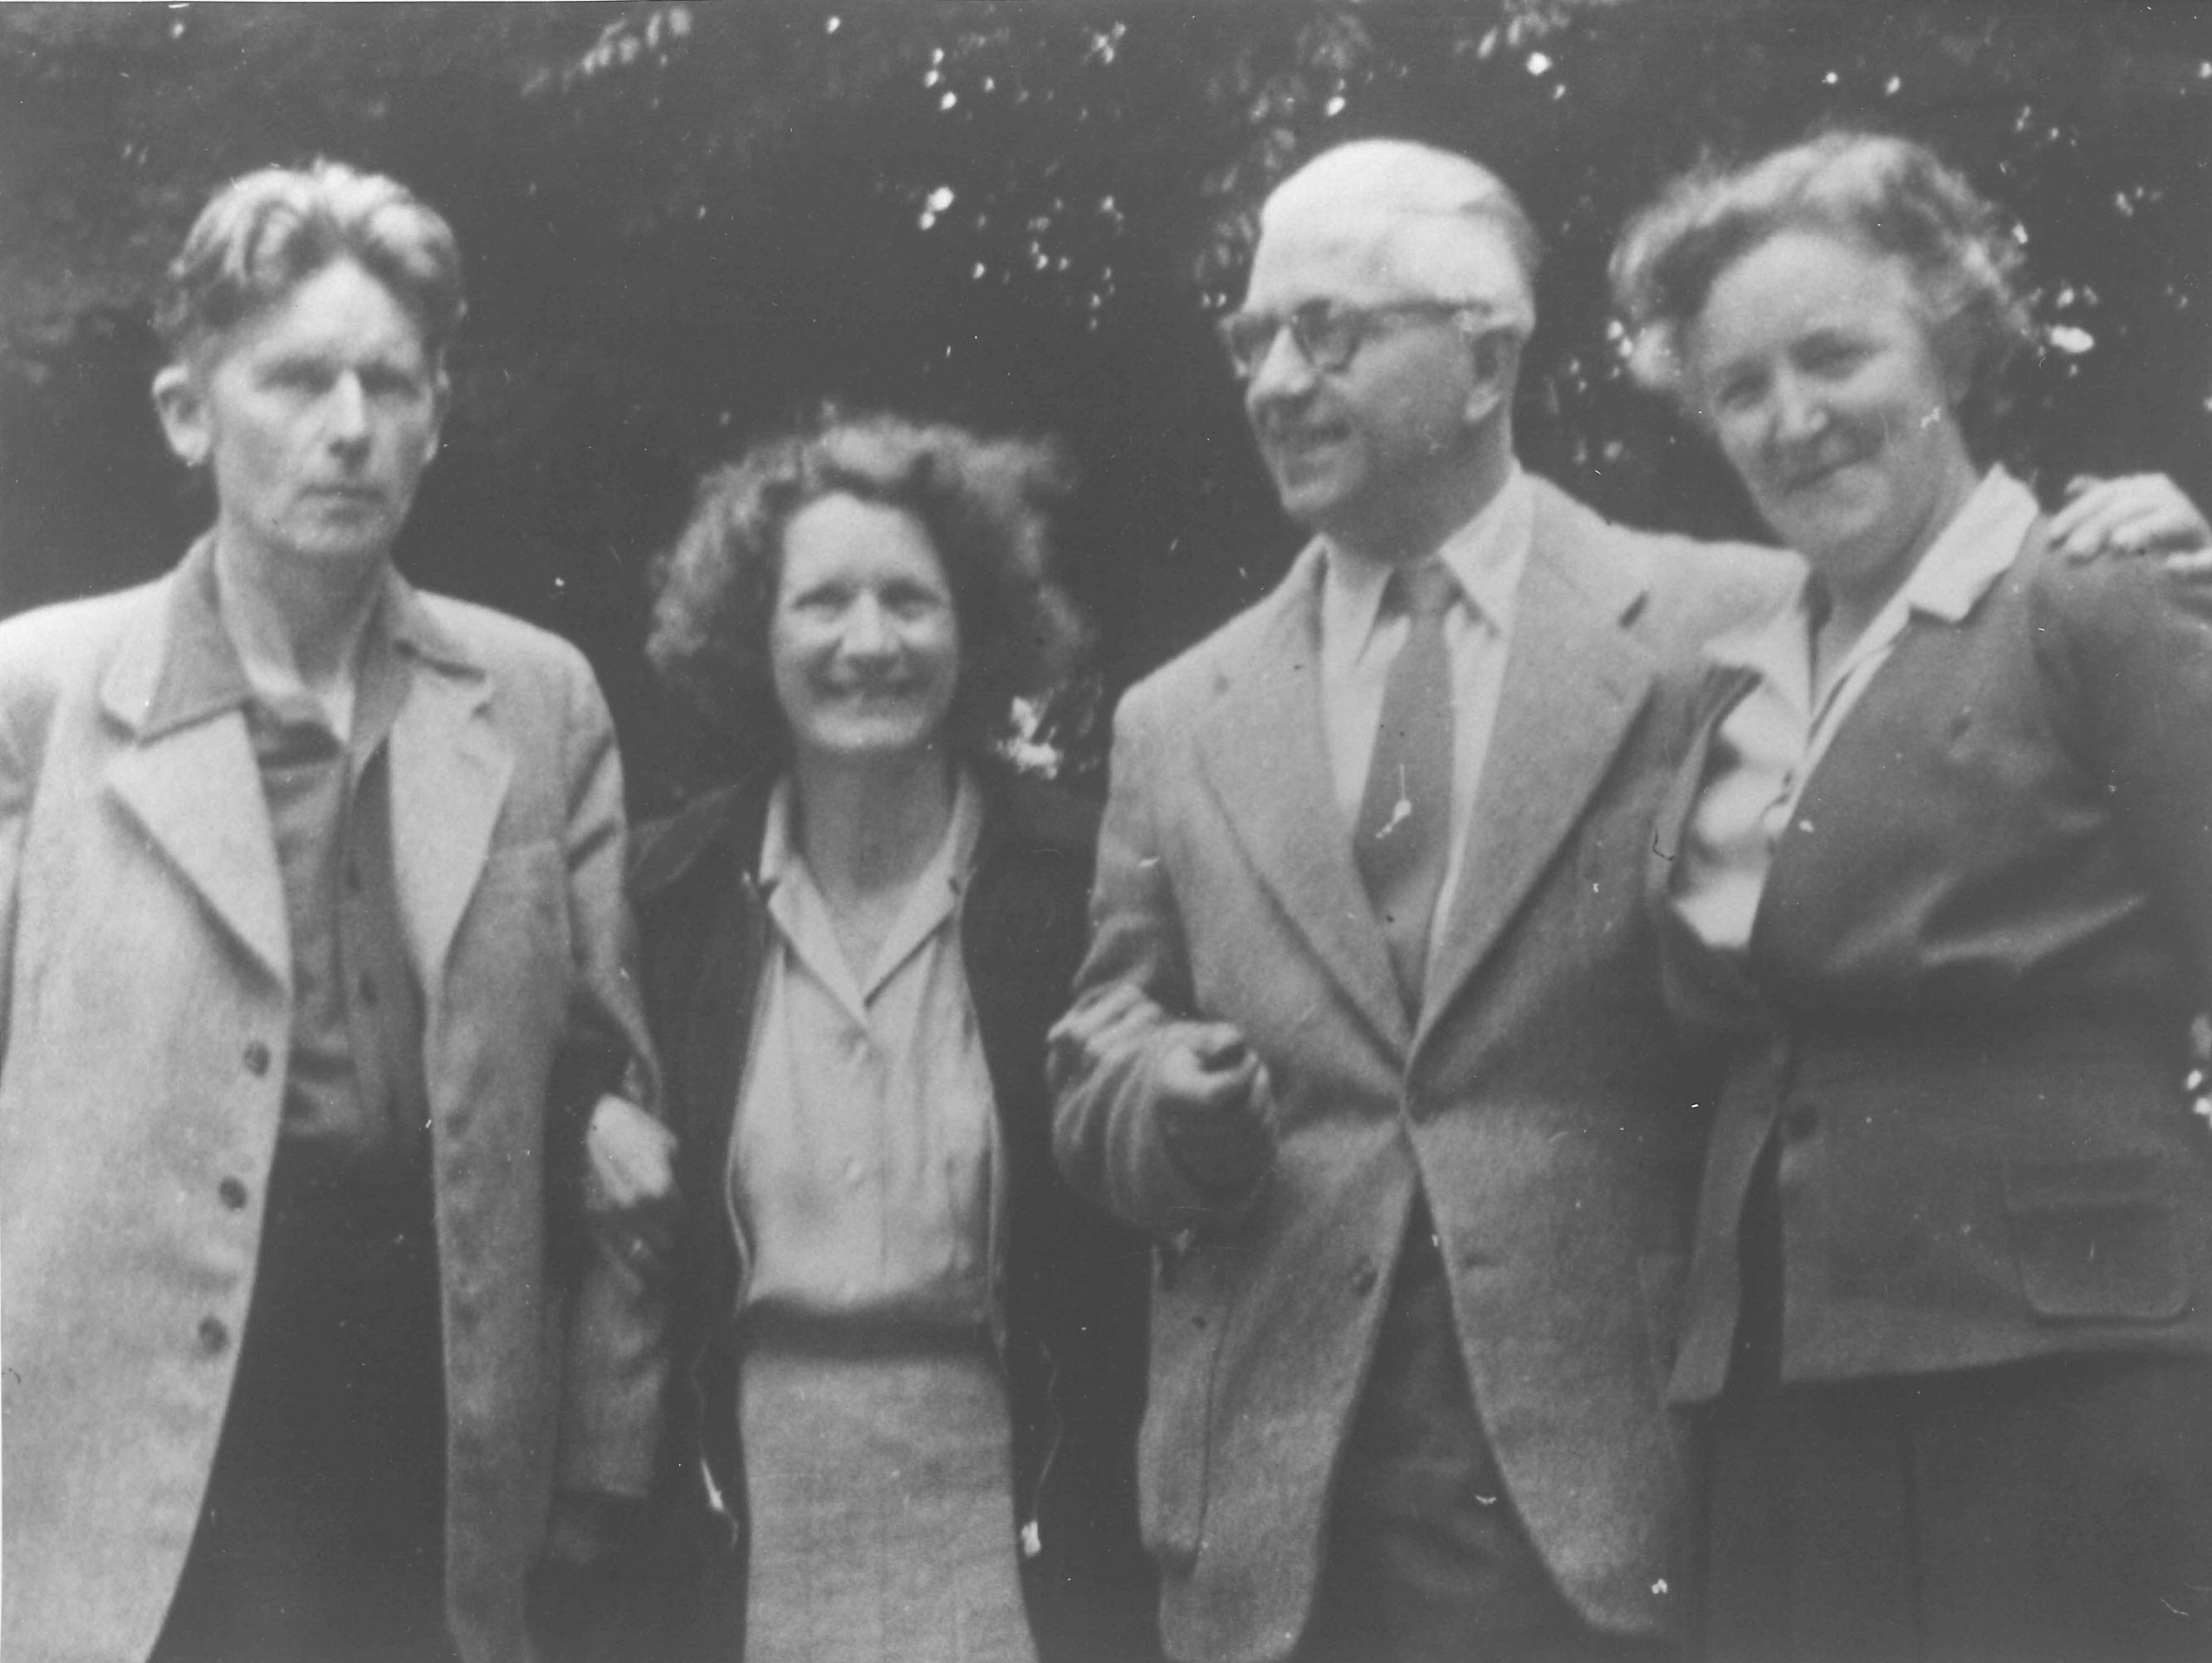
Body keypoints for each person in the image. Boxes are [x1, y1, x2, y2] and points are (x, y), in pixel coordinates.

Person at [0, 162, 666, 1663]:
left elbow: (617, 1116)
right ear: (188, 412)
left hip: (425, 1435)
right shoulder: (38, 696)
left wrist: (597, 1460)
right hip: (123, 1460)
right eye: (299, 379)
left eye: (393, 382)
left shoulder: (535, 698)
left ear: (440, 411)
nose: (350, 428)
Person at [1611, 130, 2212, 1660]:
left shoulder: (2097, 594)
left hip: (2062, 1378)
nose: (1793, 419)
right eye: (1740, 386)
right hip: (1781, 1382)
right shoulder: (1731, 684)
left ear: (1948, 340)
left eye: (1834, 356)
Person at [628, 413, 1159, 1663]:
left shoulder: (1081, 880)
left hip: (1017, 1525)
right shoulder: (669, 898)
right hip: (740, 1531)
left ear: (971, 628)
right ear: (754, 636)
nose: (868, 642)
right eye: (822, 603)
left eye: (909, 601)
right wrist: (583, 1113)